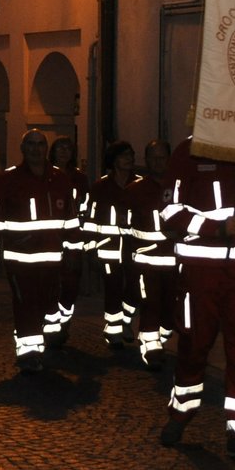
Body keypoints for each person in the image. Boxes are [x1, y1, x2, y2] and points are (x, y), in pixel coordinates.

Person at [157, 137, 235, 462]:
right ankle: (180, 414)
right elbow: (170, 211)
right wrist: (214, 228)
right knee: (194, 344)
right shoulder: (187, 152)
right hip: (201, 272)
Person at [0, 129, 79, 372]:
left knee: (47, 301)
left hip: (52, 259)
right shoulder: (7, 180)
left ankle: (43, 338)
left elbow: (70, 219)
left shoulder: (60, 179)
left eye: (40, 144)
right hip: (19, 259)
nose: (36, 149)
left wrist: (73, 250)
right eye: (30, 144)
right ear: (23, 148)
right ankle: (28, 351)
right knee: (25, 302)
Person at [82, 140, 142, 350]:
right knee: (113, 287)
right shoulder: (101, 187)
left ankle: (126, 319)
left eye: (131, 154)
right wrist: (90, 250)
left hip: (135, 247)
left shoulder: (140, 184)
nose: (129, 159)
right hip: (109, 247)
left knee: (136, 288)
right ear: (114, 160)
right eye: (124, 155)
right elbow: (91, 220)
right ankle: (114, 329)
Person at [128, 138, 177, 370]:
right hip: (146, 262)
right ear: (146, 160)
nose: (158, 162)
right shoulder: (135, 191)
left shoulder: (180, 189)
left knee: (170, 307)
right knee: (150, 304)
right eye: (153, 157)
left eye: (162, 157)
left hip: (175, 261)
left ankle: (162, 336)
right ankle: (150, 347)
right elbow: (125, 229)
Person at [48, 135, 89, 344]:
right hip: (51, 237)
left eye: (68, 148)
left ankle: (64, 321)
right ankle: (51, 326)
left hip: (74, 237)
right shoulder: (46, 176)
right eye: (60, 148)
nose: (64, 152)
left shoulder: (80, 179)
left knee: (71, 284)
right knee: (51, 282)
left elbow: (86, 208)